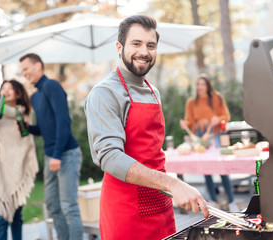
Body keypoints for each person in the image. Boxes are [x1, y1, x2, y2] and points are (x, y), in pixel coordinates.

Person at [85, 15, 209, 240]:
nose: (144, 51)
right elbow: (110, 157)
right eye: (136, 43)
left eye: (150, 45)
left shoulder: (153, 91)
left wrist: (172, 188)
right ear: (119, 47)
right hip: (125, 211)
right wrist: (173, 184)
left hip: (160, 205)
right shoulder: (105, 93)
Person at [19, 53, 83, 240]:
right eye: (22, 70)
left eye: (26, 69)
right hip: (52, 156)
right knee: (53, 205)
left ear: (38, 66)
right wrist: (28, 127)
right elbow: (45, 128)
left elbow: (63, 122)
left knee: (69, 206)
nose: (24, 73)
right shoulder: (36, 96)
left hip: (66, 153)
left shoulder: (51, 86)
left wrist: (56, 155)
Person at [0, 80, 38, 240]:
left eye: (11, 89)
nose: (6, 91)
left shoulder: (24, 113)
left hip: (18, 168)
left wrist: (22, 163)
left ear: (18, 93)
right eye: (4, 88)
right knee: (1, 217)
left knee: (17, 217)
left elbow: (26, 143)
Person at [180, 75, 240, 212]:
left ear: (208, 86)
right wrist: (185, 124)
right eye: (198, 84)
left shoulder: (216, 98)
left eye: (202, 84)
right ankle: (213, 201)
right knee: (206, 170)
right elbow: (189, 121)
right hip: (200, 136)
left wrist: (217, 119)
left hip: (215, 134)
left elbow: (226, 116)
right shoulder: (191, 102)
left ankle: (231, 201)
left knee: (222, 168)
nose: (199, 87)